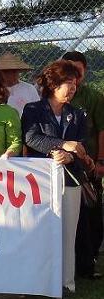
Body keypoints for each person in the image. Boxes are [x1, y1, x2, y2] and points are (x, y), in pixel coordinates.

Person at [22, 60, 91, 293]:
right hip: (40, 179)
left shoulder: (79, 114)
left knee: (68, 231)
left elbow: (83, 147)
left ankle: (66, 282)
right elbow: (31, 138)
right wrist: (62, 146)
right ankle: (39, 280)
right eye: (67, 83)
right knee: (39, 230)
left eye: (74, 84)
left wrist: (71, 156)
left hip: (70, 178)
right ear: (53, 84)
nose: (72, 88)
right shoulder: (33, 110)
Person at [60, 51, 104, 279]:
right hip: (63, 167)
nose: (74, 76)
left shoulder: (93, 97)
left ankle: (91, 259)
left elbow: (101, 130)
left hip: (90, 164)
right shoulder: (56, 97)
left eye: (78, 70)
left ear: (85, 70)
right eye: (69, 70)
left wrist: (100, 161)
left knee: (92, 211)